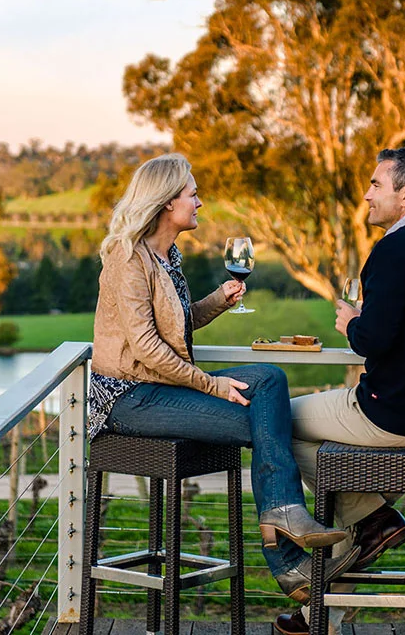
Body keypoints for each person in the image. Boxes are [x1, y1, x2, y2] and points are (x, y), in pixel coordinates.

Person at [90, 153, 358, 604]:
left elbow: (175, 326)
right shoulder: (126, 256)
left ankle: (284, 519)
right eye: (192, 194)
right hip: (128, 398)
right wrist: (212, 384)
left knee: (269, 379)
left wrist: (220, 299)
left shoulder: (167, 254)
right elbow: (145, 348)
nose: (200, 202)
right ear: (165, 201)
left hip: (164, 388)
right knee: (267, 422)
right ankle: (290, 560)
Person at [274, 147, 405, 635]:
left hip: (388, 416)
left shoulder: (392, 250)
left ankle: (368, 518)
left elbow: (373, 341)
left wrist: (352, 322)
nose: (367, 194)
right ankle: (322, 612)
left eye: (376, 184)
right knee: (360, 505)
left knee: (272, 420)